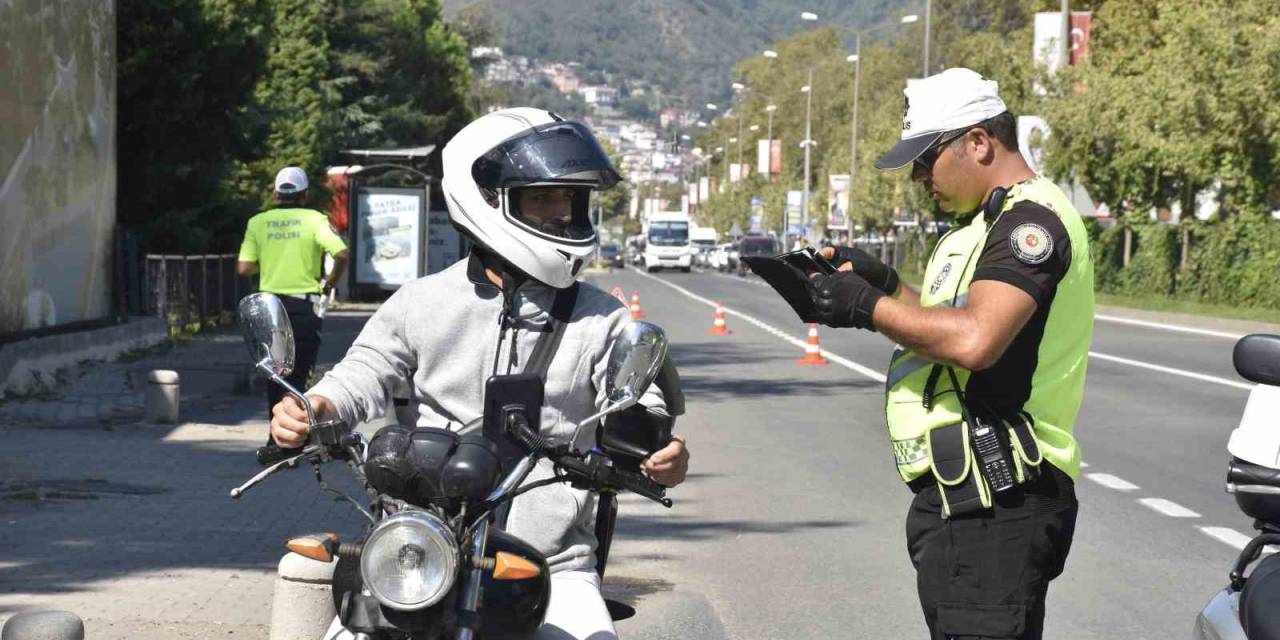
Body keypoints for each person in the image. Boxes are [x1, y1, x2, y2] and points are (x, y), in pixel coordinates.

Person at [268, 108, 690, 640]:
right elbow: (362, 372)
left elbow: (641, 399)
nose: (562, 214)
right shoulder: (422, 301)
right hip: (419, 555)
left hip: (553, 563)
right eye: (543, 197)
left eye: (569, 199)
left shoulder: (603, 318)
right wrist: (313, 408)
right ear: (488, 198)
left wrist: (657, 449)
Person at [810, 68, 1094, 639]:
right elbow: (951, 322)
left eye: (925, 158)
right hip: (967, 497)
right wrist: (885, 285)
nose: (918, 176)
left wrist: (864, 306)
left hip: (1001, 496)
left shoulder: (1029, 224)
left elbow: (974, 341)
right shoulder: (981, 224)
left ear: (979, 142)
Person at [238, 167, 349, 416]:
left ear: (277, 194)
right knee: (298, 377)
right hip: (303, 309)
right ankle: (294, 441)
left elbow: (244, 268)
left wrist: (269, 261)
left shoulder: (257, 223)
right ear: (304, 194)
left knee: (273, 375)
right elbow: (342, 254)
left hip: (269, 310)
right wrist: (329, 283)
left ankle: (275, 435)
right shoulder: (314, 219)